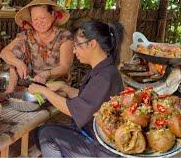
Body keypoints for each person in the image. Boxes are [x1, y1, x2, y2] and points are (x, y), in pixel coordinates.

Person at [28, 20, 125, 157]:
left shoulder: (105, 76)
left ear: (92, 44)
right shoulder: (103, 70)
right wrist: (65, 87)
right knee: (41, 132)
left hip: (100, 148)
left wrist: (44, 91)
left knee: (46, 135)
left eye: (77, 45)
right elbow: (88, 99)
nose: (74, 51)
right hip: (92, 136)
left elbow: (74, 110)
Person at [0, 0, 74, 93]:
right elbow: (4, 53)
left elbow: (65, 67)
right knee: (14, 55)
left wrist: (46, 74)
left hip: (57, 88)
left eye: (42, 18)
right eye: (35, 19)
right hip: (31, 86)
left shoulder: (64, 36)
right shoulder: (27, 35)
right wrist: (18, 63)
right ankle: (10, 90)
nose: (39, 22)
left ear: (52, 15)